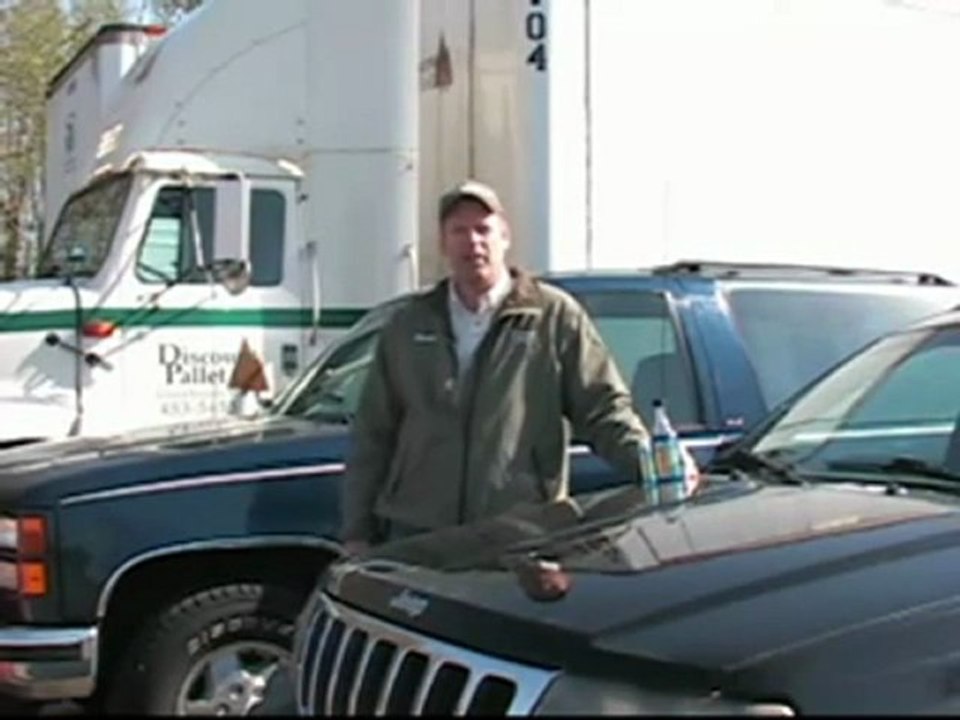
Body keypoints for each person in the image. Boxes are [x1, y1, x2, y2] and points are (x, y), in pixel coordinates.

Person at [342, 180, 697, 555]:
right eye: (459, 231)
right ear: (443, 243)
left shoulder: (552, 316)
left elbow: (602, 408)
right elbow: (373, 434)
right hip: (418, 533)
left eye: (483, 229)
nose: (473, 241)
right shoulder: (409, 323)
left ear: (505, 237)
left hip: (521, 533)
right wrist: (357, 531)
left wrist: (652, 463)